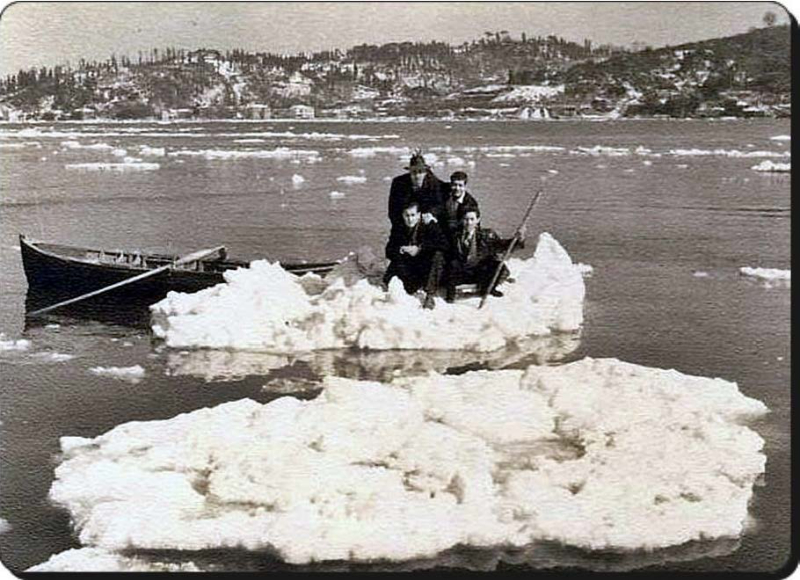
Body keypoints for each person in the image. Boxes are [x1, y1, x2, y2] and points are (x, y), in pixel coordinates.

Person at [445, 207, 525, 303]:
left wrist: (519, 238)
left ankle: (488, 289)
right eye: (466, 219)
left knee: (498, 266)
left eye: (472, 219)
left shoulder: (486, 235)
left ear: (477, 220)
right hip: (461, 273)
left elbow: (503, 246)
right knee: (452, 263)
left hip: (479, 272)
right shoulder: (454, 236)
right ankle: (451, 292)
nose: (469, 223)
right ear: (462, 220)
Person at [384, 201, 447, 309]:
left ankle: (430, 295)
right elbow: (388, 251)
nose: (410, 219)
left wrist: (419, 249)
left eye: (413, 215)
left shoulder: (428, 225)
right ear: (403, 216)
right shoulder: (398, 228)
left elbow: (443, 244)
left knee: (438, 255)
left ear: (419, 215)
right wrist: (402, 249)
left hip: (424, 266)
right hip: (408, 266)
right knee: (395, 283)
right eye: (407, 215)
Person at [388, 151, 448, 232]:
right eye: (414, 172)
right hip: (405, 221)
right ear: (409, 172)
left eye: (420, 172)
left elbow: (439, 204)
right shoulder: (398, 183)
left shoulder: (434, 183)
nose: (417, 176)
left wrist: (431, 213)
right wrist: (401, 225)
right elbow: (393, 209)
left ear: (425, 172)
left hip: (426, 221)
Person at [441, 171, 479, 242]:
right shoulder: (445, 192)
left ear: (465, 186)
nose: (457, 188)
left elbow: (474, 224)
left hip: (459, 232)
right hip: (444, 227)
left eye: (460, 185)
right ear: (450, 184)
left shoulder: (470, 203)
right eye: (454, 185)